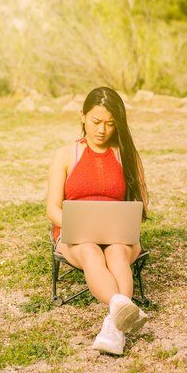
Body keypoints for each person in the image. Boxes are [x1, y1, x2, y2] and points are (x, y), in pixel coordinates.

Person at [46, 86, 148, 355]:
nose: (102, 130)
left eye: (111, 124)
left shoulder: (126, 155)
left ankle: (114, 326)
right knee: (90, 251)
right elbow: (52, 209)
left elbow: (142, 206)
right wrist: (76, 226)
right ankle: (120, 309)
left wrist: (125, 223)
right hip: (76, 233)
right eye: (96, 122)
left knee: (116, 255)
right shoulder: (66, 155)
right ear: (82, 116)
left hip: (118, 233)